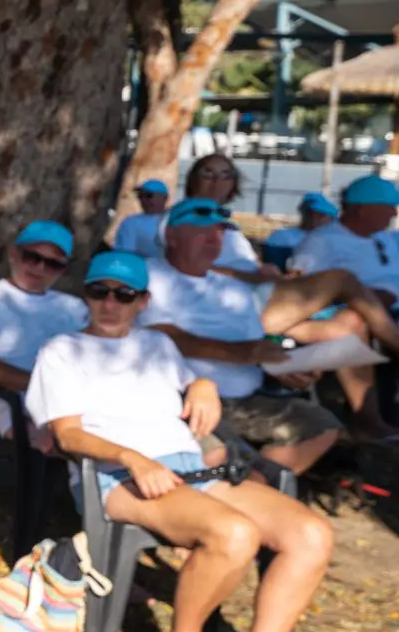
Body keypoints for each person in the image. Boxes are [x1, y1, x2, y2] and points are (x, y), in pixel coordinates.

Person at [26, 251, 335, 632]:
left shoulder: (158, 345)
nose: (110, 303)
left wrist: (203, 385)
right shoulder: (62, 351)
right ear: (85, 296)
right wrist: (132, 458)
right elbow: (67, 435)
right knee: (233, 533)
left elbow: (192, 384)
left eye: (124, 294)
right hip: (120, 476)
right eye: (99, 292)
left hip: (192, 470)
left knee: (311, 533)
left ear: (143, 301)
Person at [143, 200, 342, 472]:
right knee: (219, 454)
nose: (214, 238)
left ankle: (261, 490)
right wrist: (244, 352)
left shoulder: (234, 289)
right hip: (185, 399)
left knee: (321, 425)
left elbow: (255, 346)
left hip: (247, 400)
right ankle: (253, 494)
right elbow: (160, 337)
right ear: (172, 236)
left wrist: (283, 367)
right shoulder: (148, 276)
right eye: (201, 230)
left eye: (219, 231)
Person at [0, 220, 90, 443]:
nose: (40, 268)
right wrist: (43, 385)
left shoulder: (73, 307)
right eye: (33, 257)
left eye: (53, 264)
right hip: (22, 409)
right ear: (14, 254)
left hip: (82, 404)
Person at [265, 191, 337, 263]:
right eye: (310, 212)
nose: (313, 218)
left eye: (321, 215)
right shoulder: (281, 236)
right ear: (303, 211)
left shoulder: (334, 241)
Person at [110, 179, 172, 257]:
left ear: (165, 198)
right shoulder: (131, 222)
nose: (143, 199)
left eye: (148, 195)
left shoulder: (175, 221)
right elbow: (124, 254)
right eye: (140, 196)